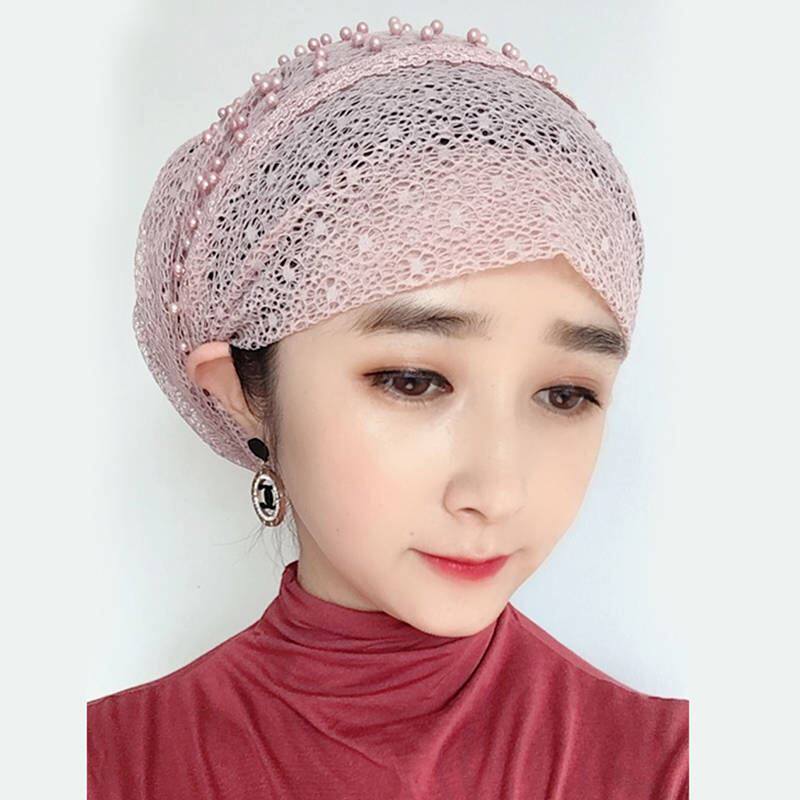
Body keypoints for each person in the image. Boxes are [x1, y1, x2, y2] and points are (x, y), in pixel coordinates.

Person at [87, 15, 689, 799]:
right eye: (413, 380)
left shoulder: (682, 771)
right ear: (240, 393)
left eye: (565, 393)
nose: (496, 492)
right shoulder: (95, 767)